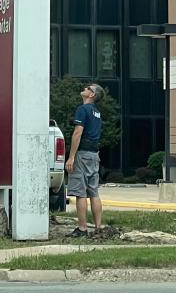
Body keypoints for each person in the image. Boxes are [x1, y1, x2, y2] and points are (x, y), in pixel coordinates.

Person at [65, 82, 104, 237]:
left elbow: (77, 133)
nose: (85, 88)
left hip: (82, 154)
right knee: (93, 192)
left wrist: (71, 157)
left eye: (88, 88)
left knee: (80, 193)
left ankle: (82, 229)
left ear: (91, 95)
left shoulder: (83, 109)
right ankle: (98, 227)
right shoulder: (97, 112)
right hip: (94, 154)